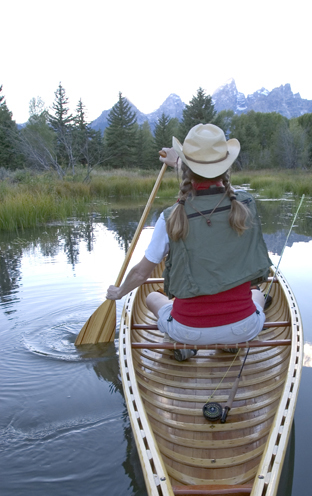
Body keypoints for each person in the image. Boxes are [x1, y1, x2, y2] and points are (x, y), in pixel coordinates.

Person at [106, 123, 272, 361]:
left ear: (187, 169)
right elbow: (221, 189)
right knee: (257, 294)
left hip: (188, 330)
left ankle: (180, 345)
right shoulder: (246, 206)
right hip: (242, 327)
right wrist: (180, 164)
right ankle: (231, 343)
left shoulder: (172, 216)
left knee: (152, 297)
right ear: (226, 166)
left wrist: (120, 292)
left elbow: (141, 274)